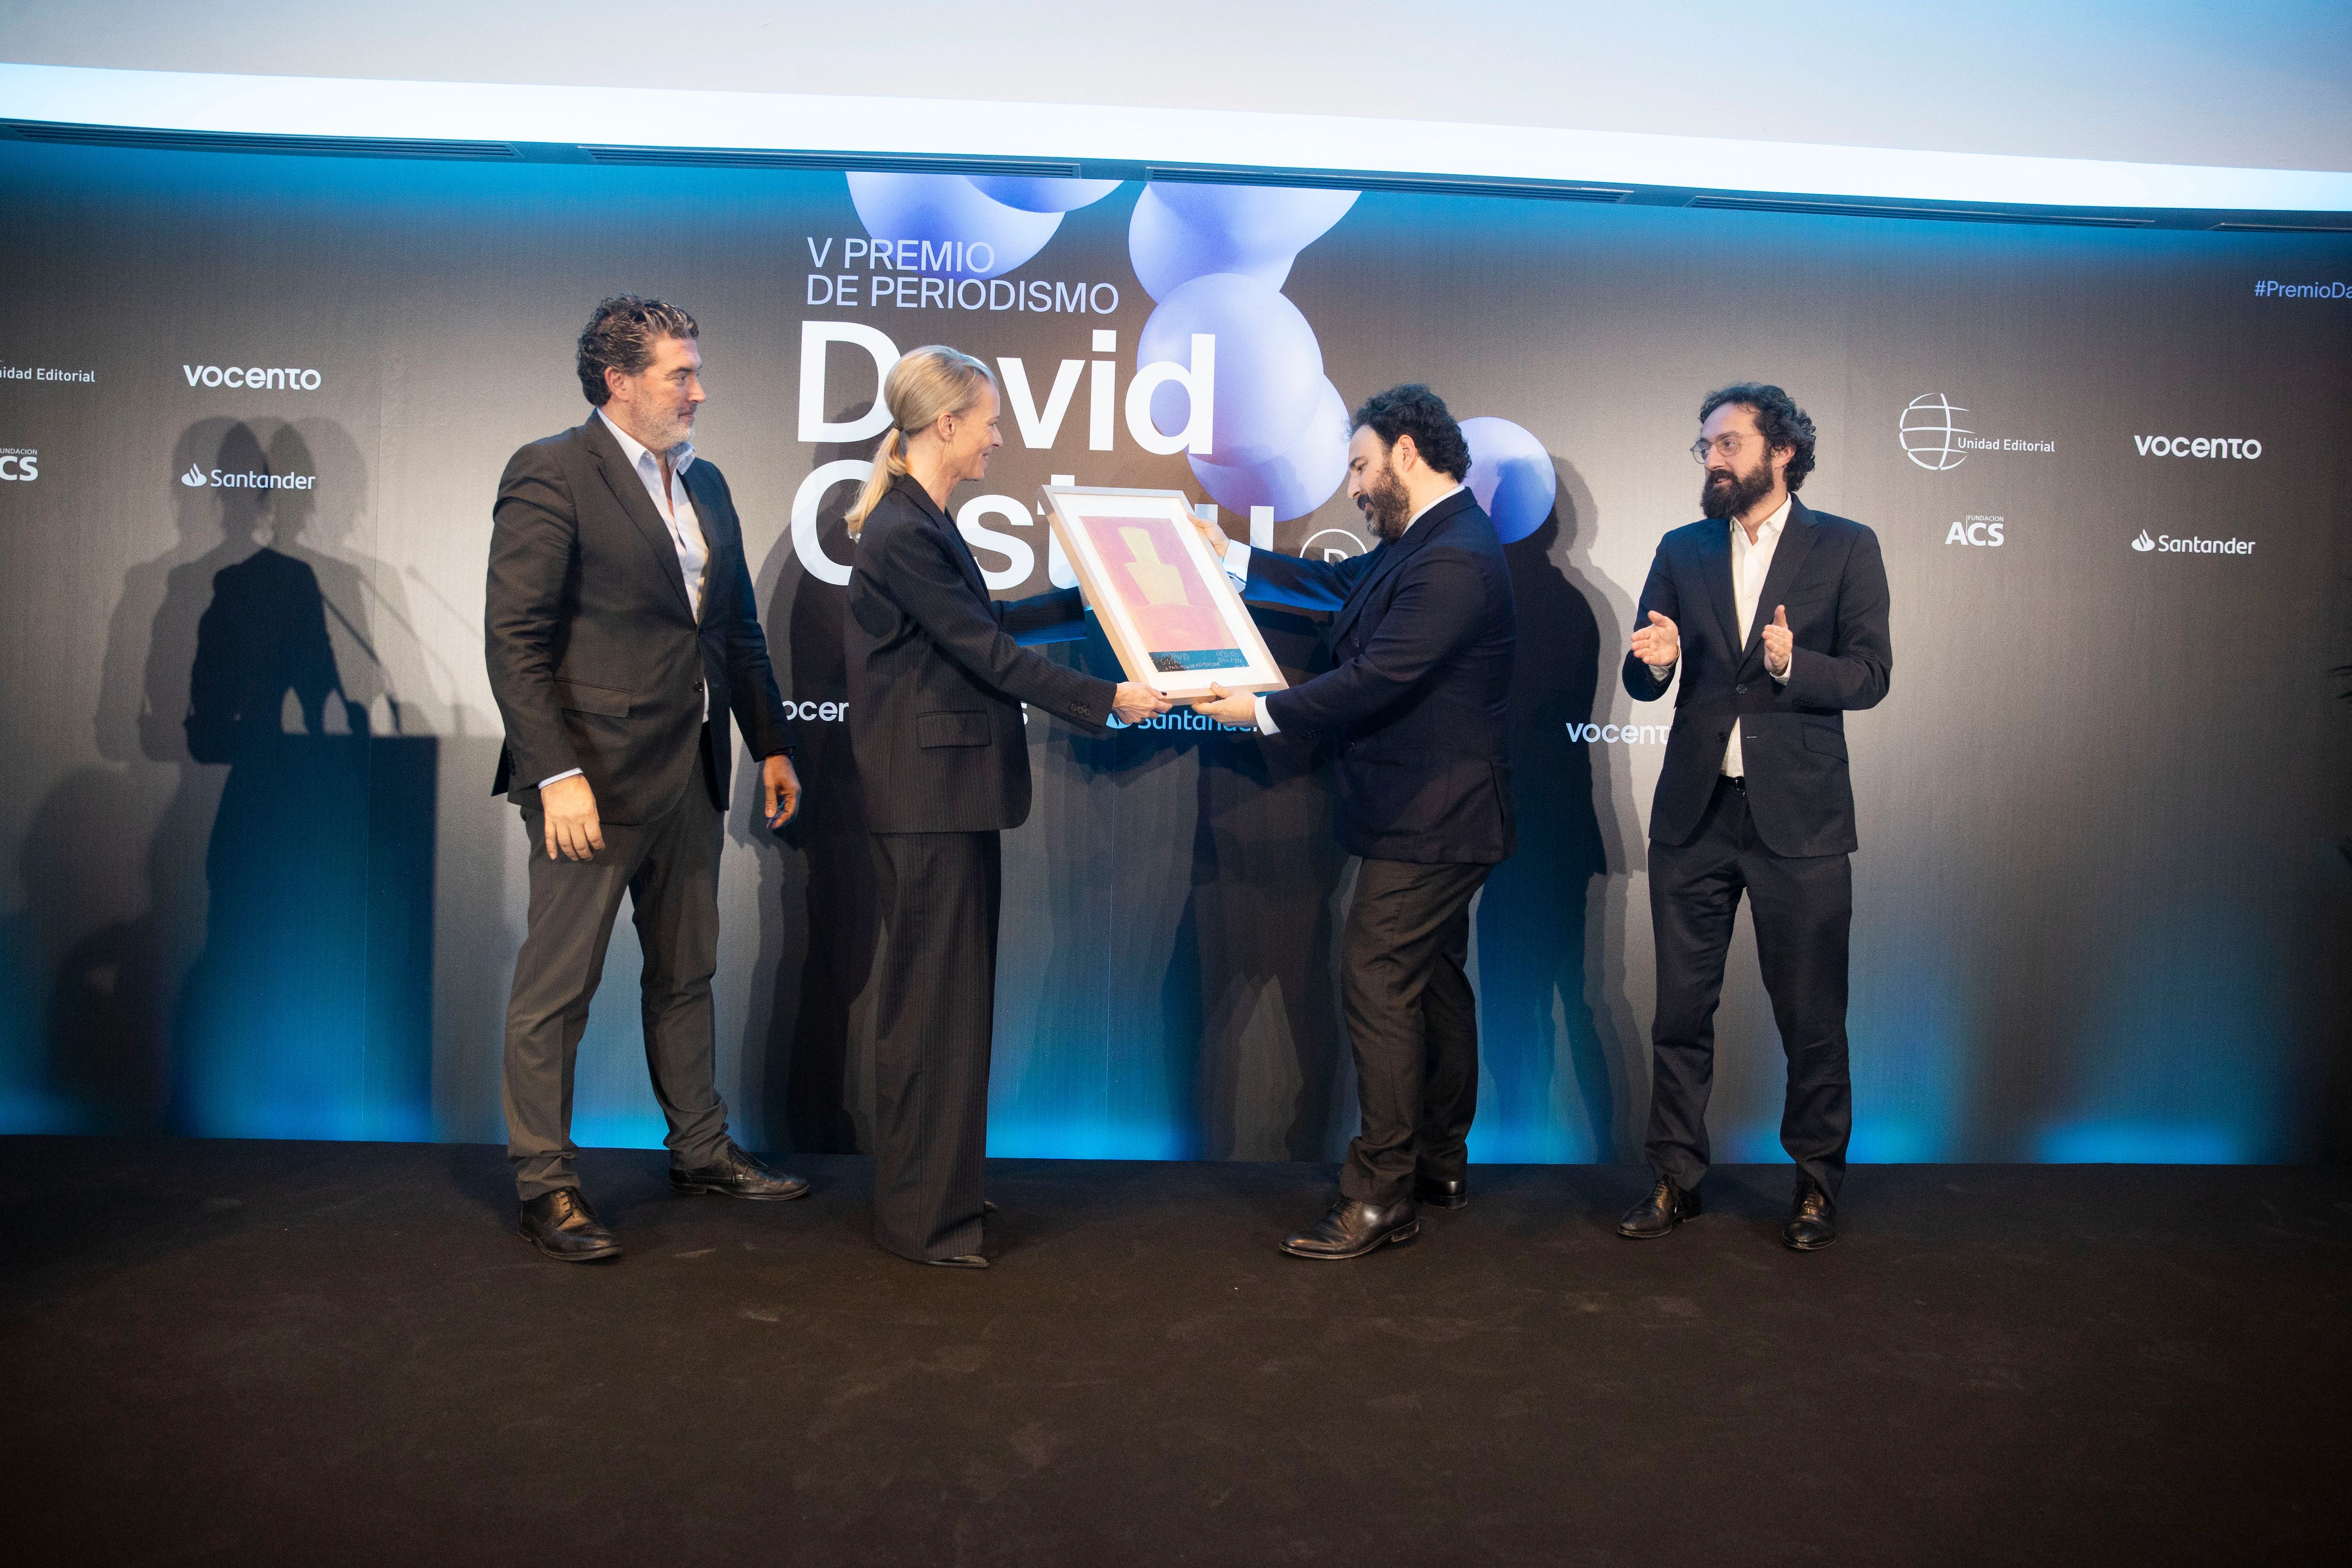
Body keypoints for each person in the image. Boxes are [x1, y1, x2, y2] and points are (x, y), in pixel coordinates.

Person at [486, 295, 807, 1263]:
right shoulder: (550, 470)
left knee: (685, 975)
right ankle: (547, 1184)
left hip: (693, 772)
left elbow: (736, 631)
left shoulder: (704, 483)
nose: (698, 390)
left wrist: (775, 743)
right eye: (680, 373)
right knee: (558, 989)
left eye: (696, 371)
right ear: (619, 380)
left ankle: (700, 1151)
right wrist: (557, 774)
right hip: (592, 782)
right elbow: (516, 640)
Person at [843, 345, 1171, 1268]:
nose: (997, 435)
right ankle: (923, 1219)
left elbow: (977, 626)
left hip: (944, 801)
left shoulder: (917, 520)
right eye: (987, 418)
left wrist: (1084, 599)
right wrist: (1104, 698)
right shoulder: (906, 529)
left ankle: (936, 1192)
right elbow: (983, 653)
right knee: (931, 1014)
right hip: (928, 804)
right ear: (943, 422)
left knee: (945, 1010)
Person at [1190, 385, 1516, 1261]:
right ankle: (1438, 1165)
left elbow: (1377, 677)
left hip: (1435, 817)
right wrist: (1231, 556)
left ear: (1408, 452)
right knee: (1432, 981)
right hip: (1424, 812)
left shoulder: (1455, 557)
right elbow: (1341, 585)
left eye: (1363, 465)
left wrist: (1262, 710)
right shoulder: (1427, 542)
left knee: (1377, 978)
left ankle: (1381, 1196)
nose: (1355, 486)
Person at [1617, 383, 1891, 1251]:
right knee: (1680, 1012)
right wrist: (1653, 665)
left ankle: (1815, 1185)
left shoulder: (1846, 547)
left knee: (1812, 1015)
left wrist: (1793, 662)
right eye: (1705, 446)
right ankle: (1674, 1179)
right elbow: (1644, 672)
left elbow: (1871, 676)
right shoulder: (1680, 548)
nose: (1714, 460)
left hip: (1800, 824)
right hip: (1696, 817)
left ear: (1782, 452)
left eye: (1729, 443)